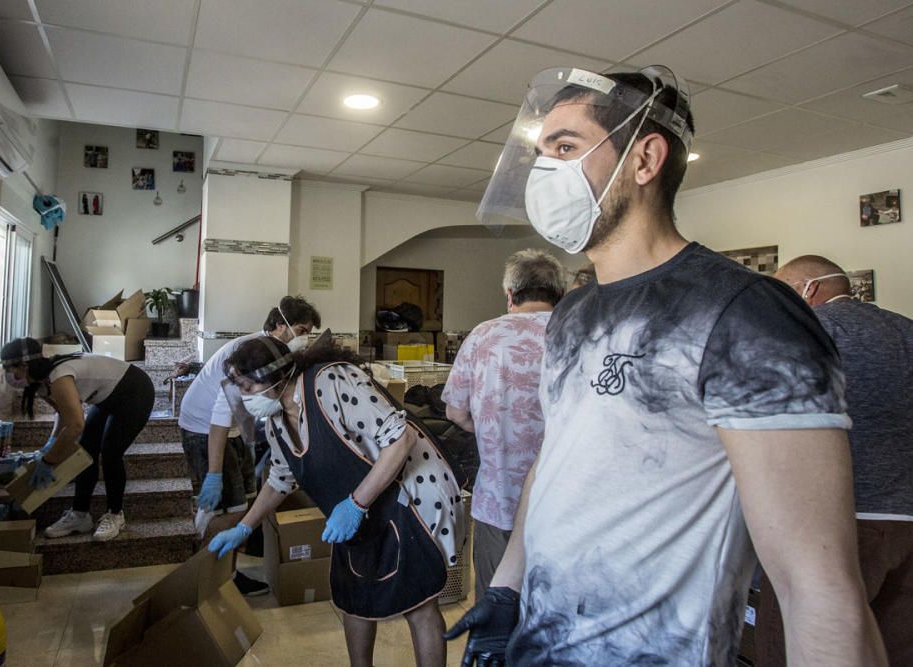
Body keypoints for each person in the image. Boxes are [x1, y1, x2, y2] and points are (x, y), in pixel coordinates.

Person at [445, 65, 886, 666]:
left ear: (645, 159)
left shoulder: (745, 314)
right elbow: (557, 459)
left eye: (566, 147)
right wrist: (508, 585)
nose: (544, 172)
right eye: (541, 151)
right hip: (543, 640)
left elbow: (820, 586)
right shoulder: (574, 313)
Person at [207, 336, 464, 667]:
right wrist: (244, 526)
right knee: (353, 598)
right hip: (357, 512)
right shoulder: (276, 421)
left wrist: (356, 505)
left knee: (418, 602)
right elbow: (280, 480)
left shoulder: (330, 381)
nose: (244, 396)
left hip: (408, 498)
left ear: (270, 376)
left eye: (246, 386)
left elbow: (401, 439)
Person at [762, 255, 913, 665]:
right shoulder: (907, 329)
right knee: (894, 650)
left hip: (837, 526)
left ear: (808, 290)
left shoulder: (809, 329)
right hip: (906, 522)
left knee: (798, 646)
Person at [442, 248, 565, 599]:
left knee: (496, 610)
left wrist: (495, 429)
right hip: (561, 505)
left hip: (498, 501)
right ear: (560, 294)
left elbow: (455, 413)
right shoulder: (576, 335)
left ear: (510, 294)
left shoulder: (483, 336)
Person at [178, 295, 320, 596]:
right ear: (280, 326)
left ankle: (229, 576)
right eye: (302, 329)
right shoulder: (250, 354)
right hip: (204, 429)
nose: (305, 338)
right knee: (223, 512)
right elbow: (220, 414)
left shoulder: (273, 354)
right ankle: (206, 581)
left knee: (243, 504)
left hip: (232, 431)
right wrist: (214, 473)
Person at [1, 337, 155, 542]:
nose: (11, 376)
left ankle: (116, 514)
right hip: (107, 395)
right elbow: (64, 413)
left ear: (25, 364)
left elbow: (75, 425)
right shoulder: (41, 381)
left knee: (110, 453)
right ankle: (80, 514)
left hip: (135, 390)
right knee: (86, 447)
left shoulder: (59, 375)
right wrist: (51, 442)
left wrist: (48, 461)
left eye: (11, 369)